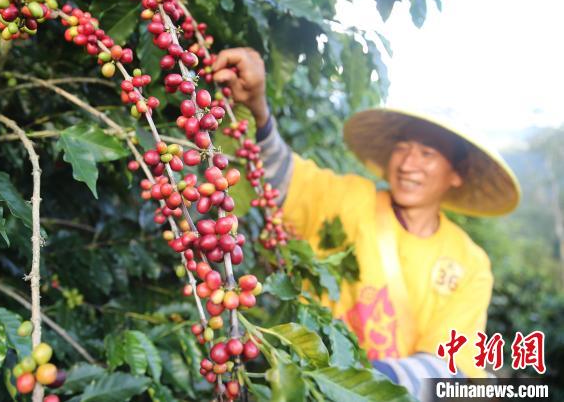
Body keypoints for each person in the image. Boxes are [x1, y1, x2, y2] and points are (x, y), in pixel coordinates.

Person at [212, 48, 521, 398]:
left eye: (427, 154)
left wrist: (346, 386)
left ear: (456, 175)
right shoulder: (352, 199)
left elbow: (447, 368)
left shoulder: (469, 262)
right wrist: (259, 109)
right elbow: (279, 177)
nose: (408, 164)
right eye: (403, 148)